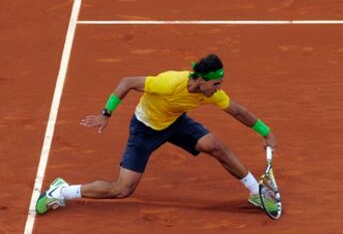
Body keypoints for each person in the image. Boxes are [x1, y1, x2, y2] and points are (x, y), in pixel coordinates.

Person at [36, 54, 277, 215]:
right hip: (145, 130)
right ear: (201, 80)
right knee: (122, 189)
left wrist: (265, 132)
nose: (219, 89)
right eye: (216, 84)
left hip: (174, 122)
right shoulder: (168, 83)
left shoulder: (211, 94)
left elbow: (238, 111)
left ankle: (256, 192)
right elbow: (127, 82)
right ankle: (61, 191)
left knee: (216, 147)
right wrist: (105, 113)